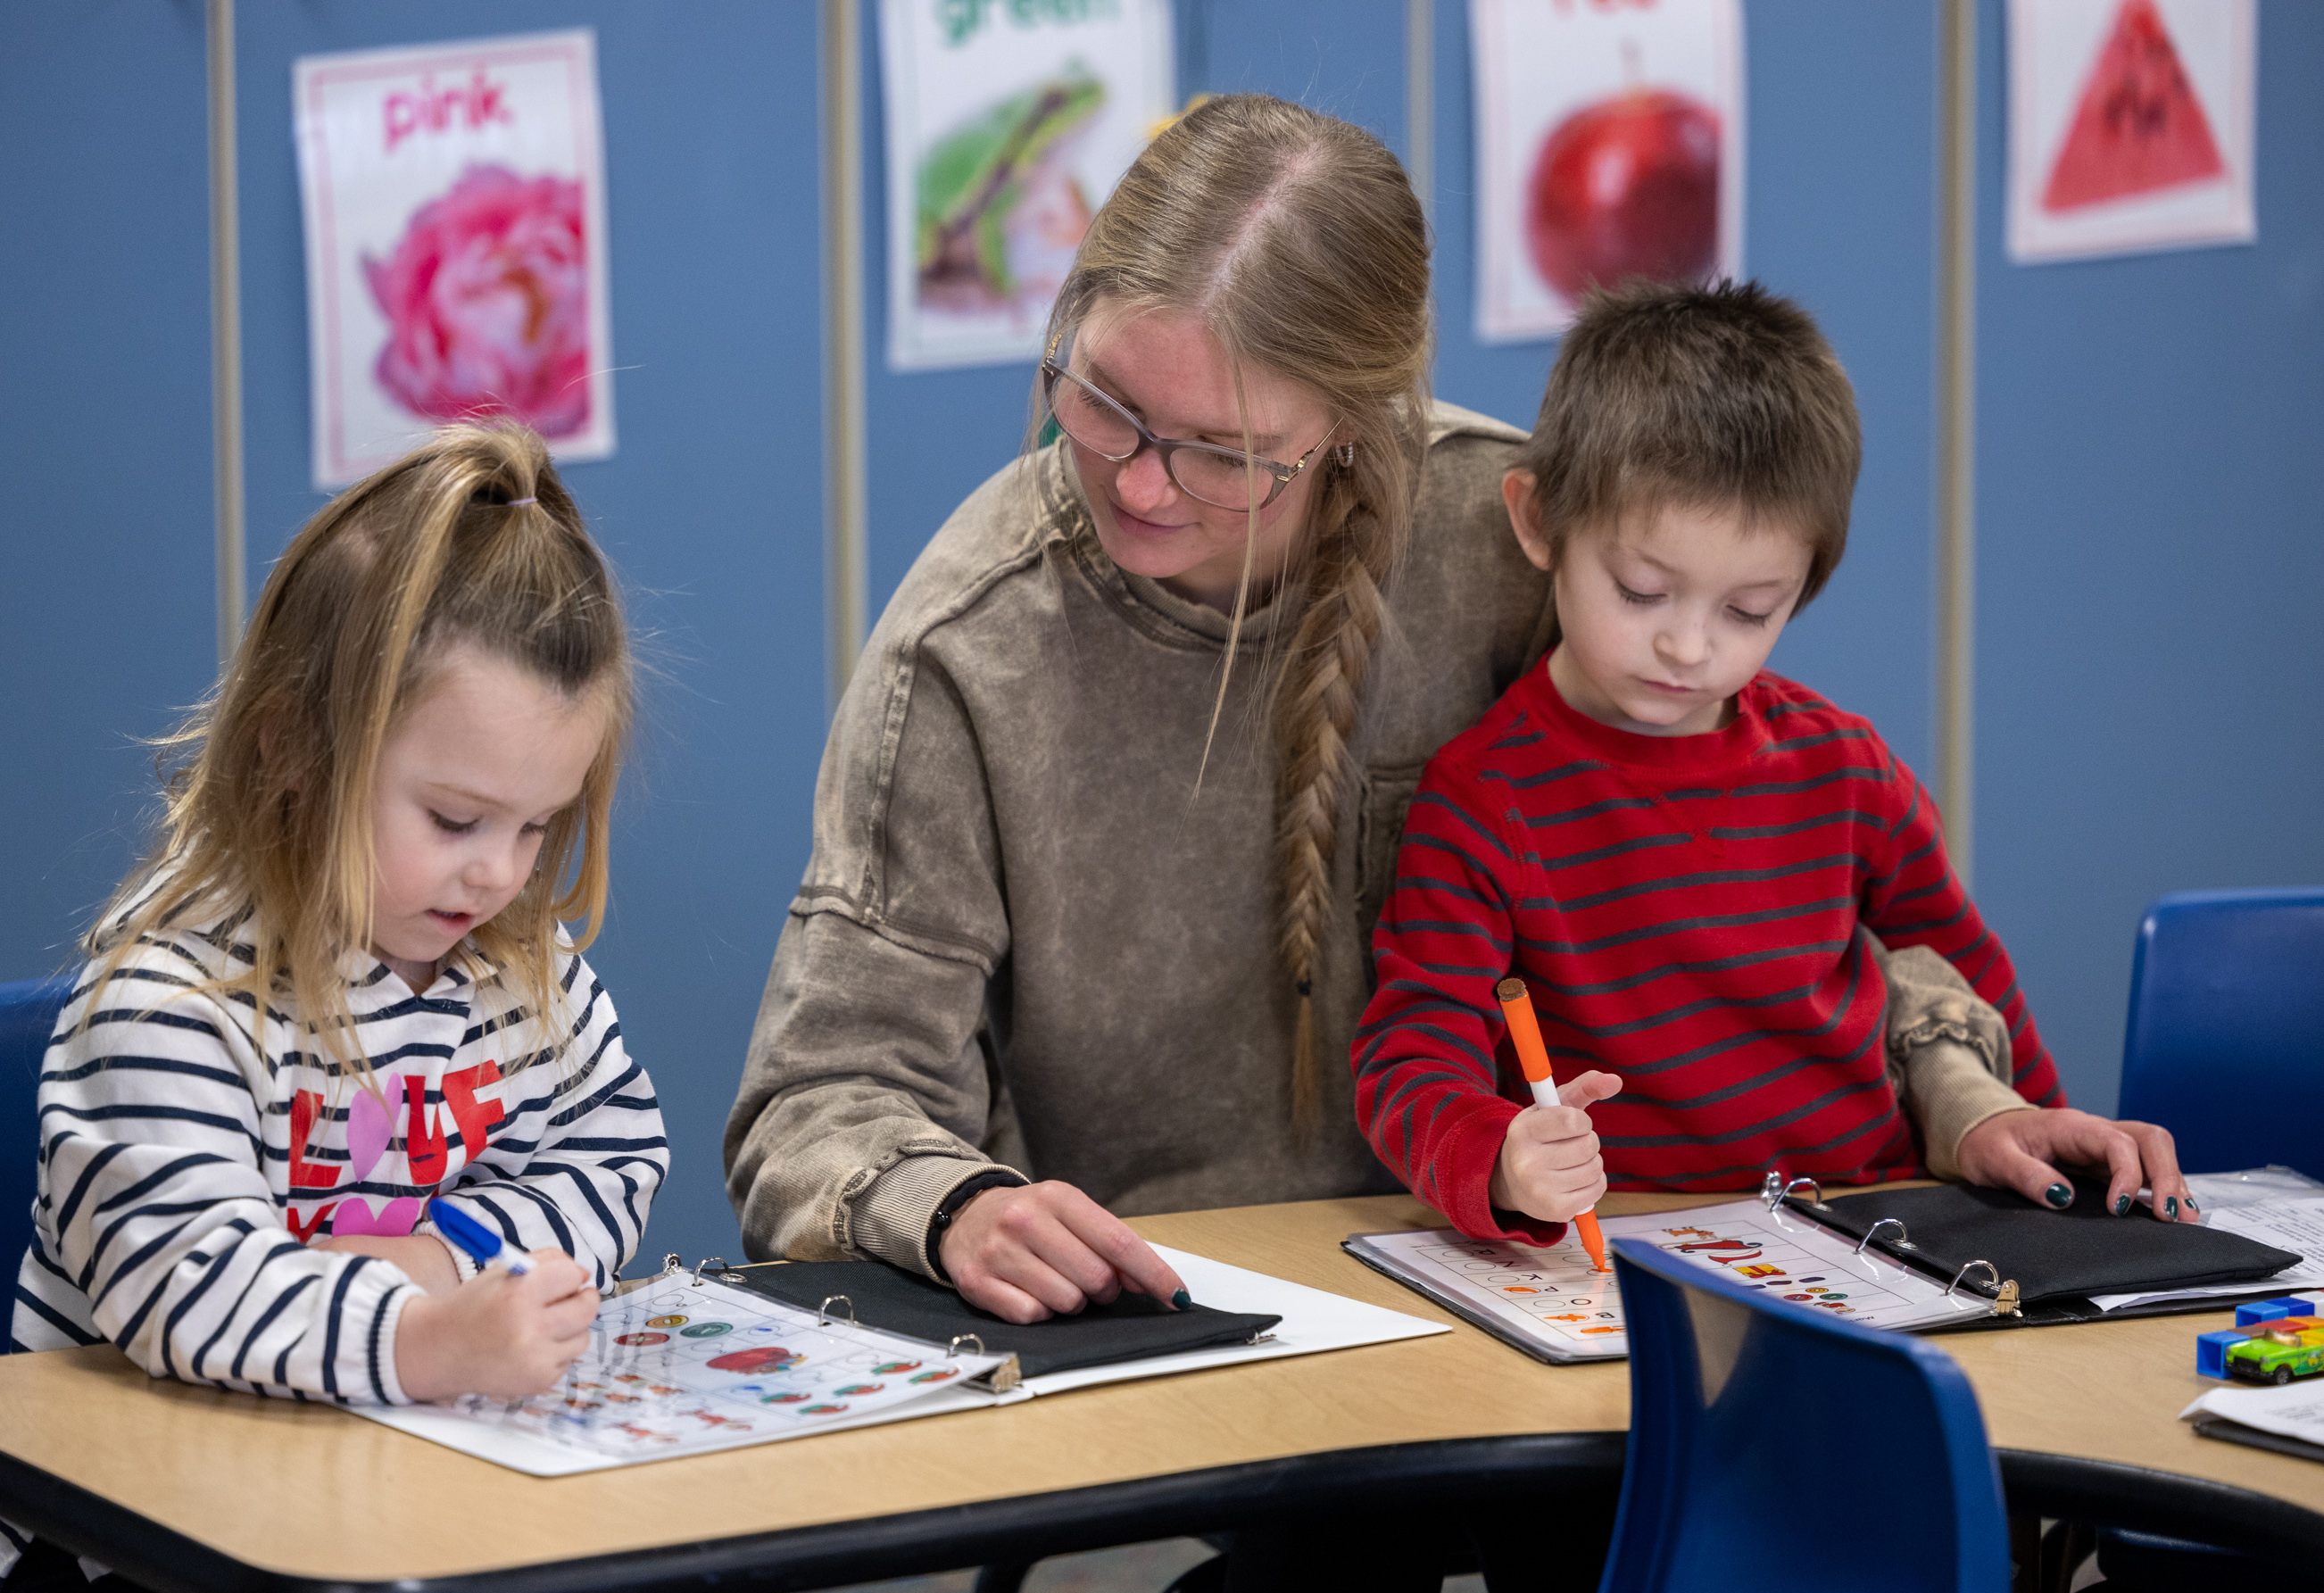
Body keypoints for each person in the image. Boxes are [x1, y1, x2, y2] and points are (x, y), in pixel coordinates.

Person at [726, 95, 2077, 1323]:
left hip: (1548, 1275)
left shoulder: (1525, 551)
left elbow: (1793, 879)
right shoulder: (975, 646)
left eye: (1229, 454)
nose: (1140, 486)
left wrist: (1963, 1089)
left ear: (1358, 426)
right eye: (1104, 403)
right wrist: (953, 1204)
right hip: (1193, 1308)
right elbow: (818, 1105)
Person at [0, 424, 668, 1593]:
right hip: (123, 1543)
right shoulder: (172, 997)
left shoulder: (515, 964)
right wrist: (418, 1337)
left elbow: (614, 1149)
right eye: (454, 820)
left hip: (393, 1488)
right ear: (294, 745)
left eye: (537, 825)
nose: (499, 875)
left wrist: (439, 1259)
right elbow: (188, 1289)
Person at [1353, 280, 2196, 1240]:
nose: (1688, 647)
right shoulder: (1482, 800)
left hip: (1878, 1230)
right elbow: (1410, 1055)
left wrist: (2027, 1123)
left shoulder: (1845, 770)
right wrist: (1500, 1158)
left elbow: (1969, 975)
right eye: (1641, 590)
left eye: (1749, 611)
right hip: (1633, 1253)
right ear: (1540, 521)